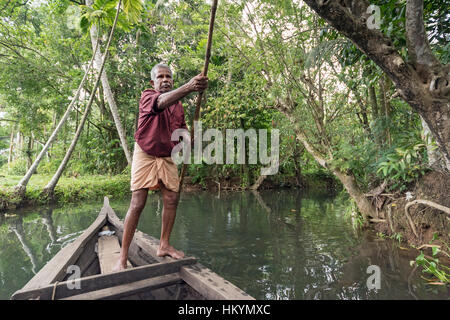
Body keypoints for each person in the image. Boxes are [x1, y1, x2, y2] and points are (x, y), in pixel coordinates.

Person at [115, 63, 208, 270]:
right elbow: (160, 103)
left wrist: (191, 141)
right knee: (138, 202)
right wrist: (189, 86)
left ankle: (164, 245)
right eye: (161, 77)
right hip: (146, 152)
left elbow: (181, 131)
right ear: (153, 82)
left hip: (166, 154)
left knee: (172, 198)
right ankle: (122, 258)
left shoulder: (178, 106)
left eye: (168, 77)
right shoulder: (148, 96)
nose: (165, 80)